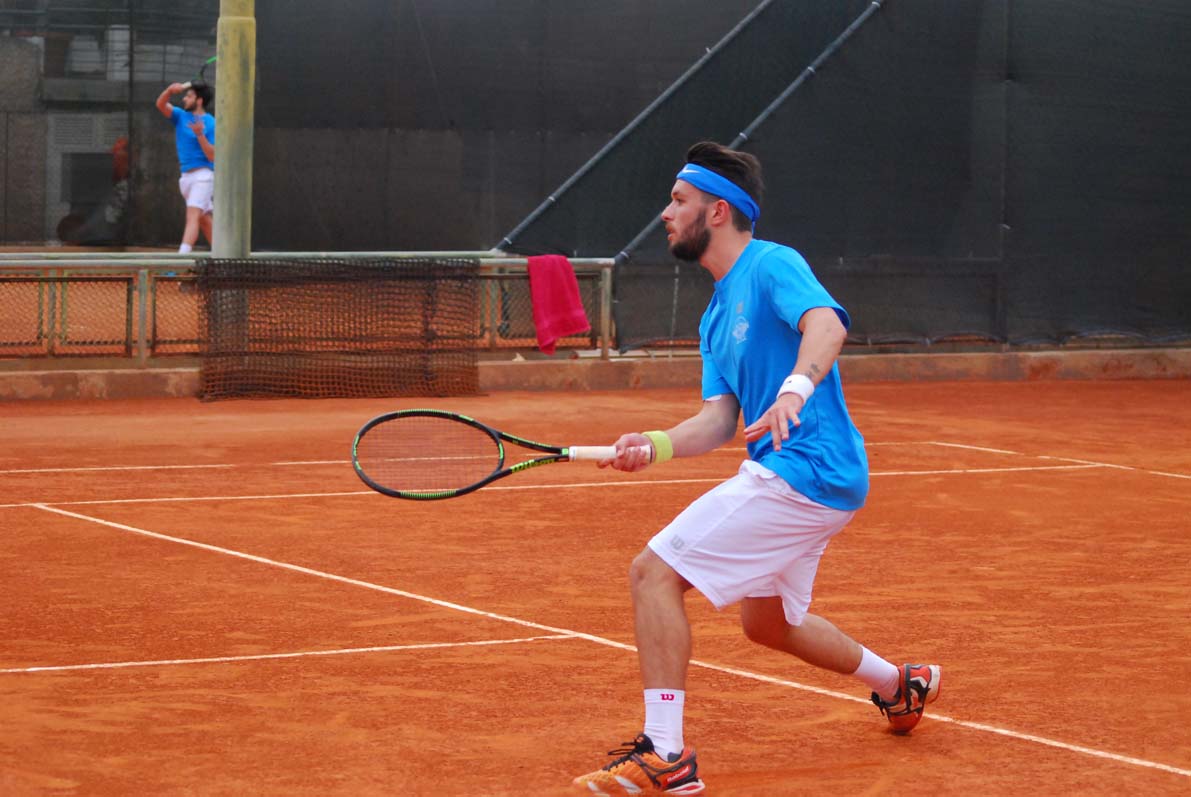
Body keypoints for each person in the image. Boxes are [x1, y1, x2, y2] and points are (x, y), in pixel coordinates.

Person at [572, 142, 941, 796]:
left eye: (678, 201)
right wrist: (651, 445)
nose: (665, 214)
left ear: (717, 211)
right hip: (813, 477)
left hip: (805, 469)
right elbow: (718, 420)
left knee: (652, 573)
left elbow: (826, 326)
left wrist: (795, 388)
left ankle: (665, 753)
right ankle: (898, 684)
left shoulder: (772, 263)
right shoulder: (715, 317)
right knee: (767, 624)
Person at [155, 81, 215, 253]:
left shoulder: (211, 123)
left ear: (199, 101)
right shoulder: (180, 116)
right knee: (204, 220)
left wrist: (200, 134)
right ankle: (226, 259)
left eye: (188, 96)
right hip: (186, 178)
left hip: (203, 176)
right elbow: (160, 104)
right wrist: (169, 91)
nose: (184, 99)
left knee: (192, 216)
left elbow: (212, 155)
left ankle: (180, 260)